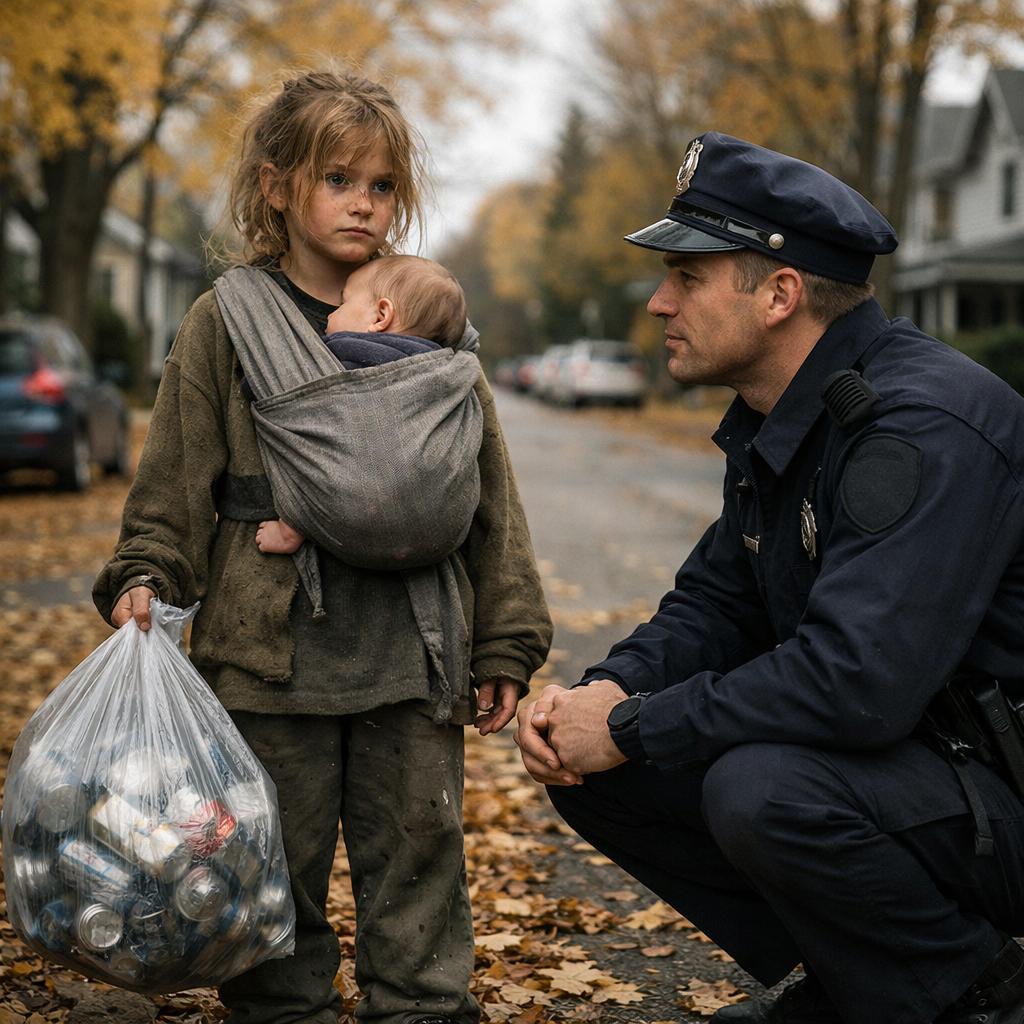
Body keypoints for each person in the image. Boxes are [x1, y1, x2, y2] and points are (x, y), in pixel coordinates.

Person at [514, 130, 1024, 1024]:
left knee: (764, 790)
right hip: (930, 769)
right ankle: (860, 979)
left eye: (688, 278)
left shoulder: (918, 426)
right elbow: (719, 601)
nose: (658, 303)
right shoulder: (786, 413)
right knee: (597, 765)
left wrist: (633, 726)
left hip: (999, 783)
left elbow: (856, 684)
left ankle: (976, 992)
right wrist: (607, 692)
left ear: (781, 295)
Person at [94, 69, 552, 1024]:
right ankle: (282, 1010)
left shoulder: (431, 320)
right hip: (268, 657)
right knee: (272, 865)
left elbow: (489, 497)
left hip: (411, 651)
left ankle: (421, 1007)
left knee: (419, 861)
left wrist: (506, 639)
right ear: (276, 186)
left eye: (381, 185)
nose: (363, 203)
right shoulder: (228, 320)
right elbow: (175, 480)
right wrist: (146, 571)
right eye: (337, 179)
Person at [256, 254, 469, 556]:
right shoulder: (444, 368)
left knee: (316, 461)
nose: (332, 314)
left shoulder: (345, 351)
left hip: (353, 499)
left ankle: (291, 531)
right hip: (431, 513)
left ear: (381, 316)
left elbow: (281, 383)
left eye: (343, 303)